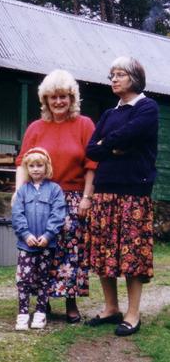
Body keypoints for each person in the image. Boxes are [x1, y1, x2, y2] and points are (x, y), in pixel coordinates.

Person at [14, 69, 97, 323]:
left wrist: (87, 197)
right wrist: (19, 195)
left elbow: (92, 165)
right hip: (39, 197)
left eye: (64, 96)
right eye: (53, 97)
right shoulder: (36, 128)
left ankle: (71, 302)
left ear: (72, 98)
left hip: (72, 198)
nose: (58, 102)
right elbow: (22, 163)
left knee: (70, 251)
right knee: (39, 247)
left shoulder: (84, 125)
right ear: (46, 100)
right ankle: (43, 300)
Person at [85, 56, 158, 336]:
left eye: (119, 75)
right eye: (111, 75)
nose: (114, 79)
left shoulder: (147, 107)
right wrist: (114, 146)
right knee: (105, 252)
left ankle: (133, 313)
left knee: (132, 256)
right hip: (104, 191)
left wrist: (109, 143)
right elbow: (91, 150)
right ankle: (111, 308)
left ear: (134, 78)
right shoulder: (108, 114)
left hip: (133, 192)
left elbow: (132, 132)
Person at [12, 147, 66, 330]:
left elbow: (58, 214)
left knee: (43, 280)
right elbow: (17, 215)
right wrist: (26, 235)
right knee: (24, 279)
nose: (36, 169)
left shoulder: (55, 190)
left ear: (46, 167)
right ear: (27, 168)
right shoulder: (22, 191)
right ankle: (22, 314)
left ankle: (41, 313)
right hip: (26, 245)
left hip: (46, 245)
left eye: (39, 165)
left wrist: (48, 235)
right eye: (32, 166)